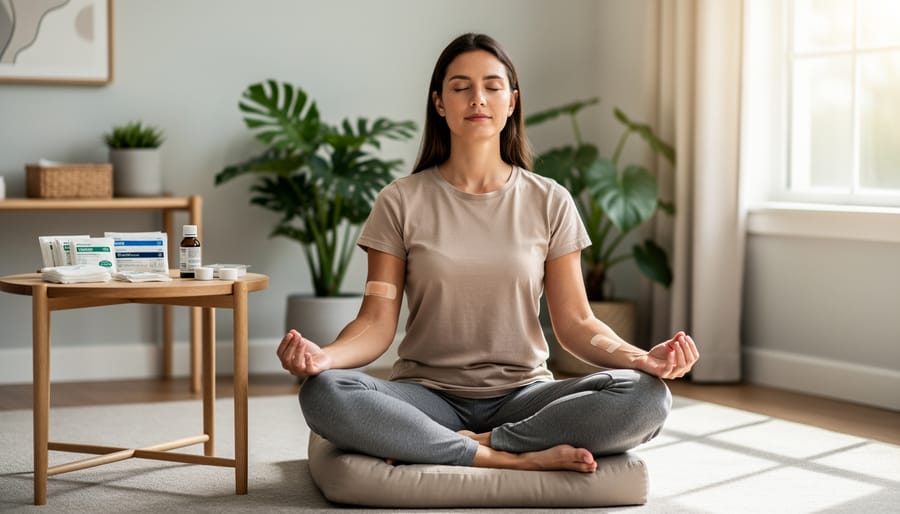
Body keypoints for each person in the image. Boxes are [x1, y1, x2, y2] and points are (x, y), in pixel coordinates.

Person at [277, 32, 699, 473]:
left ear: (512, 101)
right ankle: (512, 458)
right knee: (324, 392)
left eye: (492, 87)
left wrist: (642, 359)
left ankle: (472, 444)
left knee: (646, 395)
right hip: (426, 397)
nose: (477, 99)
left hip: (524, 396)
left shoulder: (549, 200)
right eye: (461, 87)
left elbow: (576, 323)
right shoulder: (399, 201)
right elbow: (375, 323)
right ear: (440, 103)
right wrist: (323, 358)